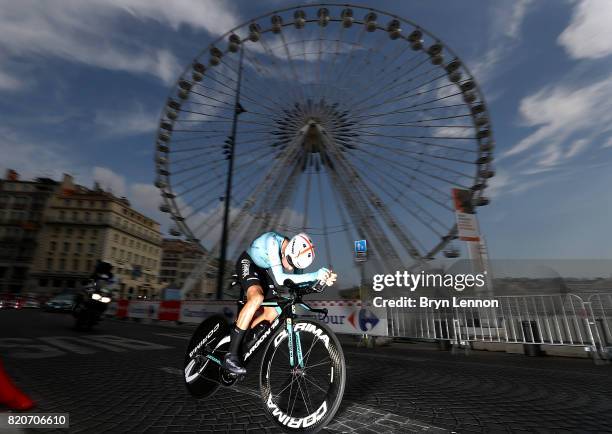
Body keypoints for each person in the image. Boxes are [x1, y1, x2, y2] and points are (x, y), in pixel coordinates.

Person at [223, 232, 337, 374]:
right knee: (257, 298)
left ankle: (244, 338)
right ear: (287, 251)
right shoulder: (272, 242)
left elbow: (297, 283)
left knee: (275, 311)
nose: (290, 268)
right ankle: (231, 355)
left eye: (293, 265)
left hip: (262, 270)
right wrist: (315, 275)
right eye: (290, 262)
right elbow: (281, 279)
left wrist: (321, 281)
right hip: (247, 262)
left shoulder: (294, 254)